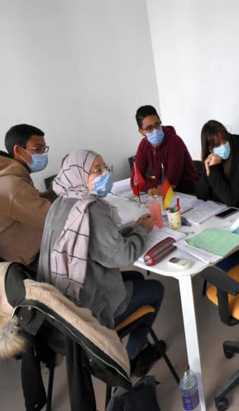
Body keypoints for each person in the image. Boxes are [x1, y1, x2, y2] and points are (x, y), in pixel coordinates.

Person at [38, 150, 165, 375]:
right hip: (86, 313)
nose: (104, 174)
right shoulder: (89, 210)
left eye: (104, 167)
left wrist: (131, 229)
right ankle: (132, 356)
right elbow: (124, 255)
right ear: (78, 174)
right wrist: (142, 230)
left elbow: (94, 243)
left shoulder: (60, 203)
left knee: (136, 277)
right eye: (97, 170)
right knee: (156, 288)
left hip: (59, 305)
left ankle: (140, 344)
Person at [0, 124, 56, 265]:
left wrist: (57, 188)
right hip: (14, 265)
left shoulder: (4, 176)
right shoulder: (13, 185)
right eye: (37, 149)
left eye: (44, 149)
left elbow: (35, 201)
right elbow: (53, 218)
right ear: (18, 150)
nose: (43, 154)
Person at [131, 105, 199, 194]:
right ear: (141, 132)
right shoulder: (144, 145)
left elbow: (171, 184)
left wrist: (150, 185)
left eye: (157, 125)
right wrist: (156, 187)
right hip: (166, 194)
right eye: (149, 128)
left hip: (188, 193)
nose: (155, 130)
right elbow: (135, 181)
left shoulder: (174, 142)